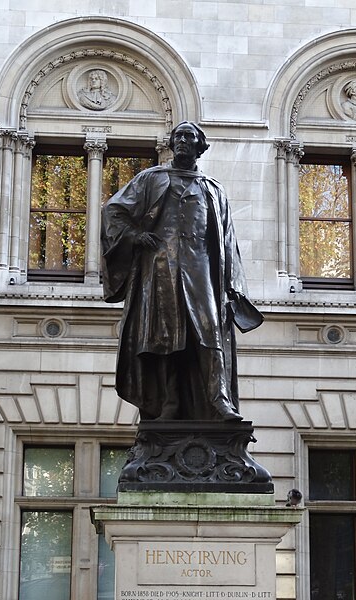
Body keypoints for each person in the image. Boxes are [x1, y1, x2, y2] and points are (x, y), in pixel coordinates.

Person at [101, 121, 263, 422]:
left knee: (209, 332)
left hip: (202, 271)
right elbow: (113, 211)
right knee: (166, 337)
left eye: (190, 136)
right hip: (161, 269)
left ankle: (219, 400)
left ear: (200, 145)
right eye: (179, 136)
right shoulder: (151, 179)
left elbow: (228, 242)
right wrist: (136, 236)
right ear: (172, 143)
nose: (184, 141)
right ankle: (169, 403)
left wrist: (232, 290)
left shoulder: (212, 189)